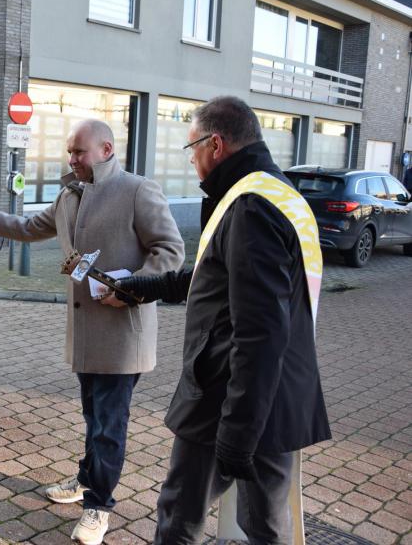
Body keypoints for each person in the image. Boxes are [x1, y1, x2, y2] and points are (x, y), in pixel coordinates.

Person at [113, 96, 331, 544]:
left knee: (181, 517)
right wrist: (146, 287)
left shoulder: (250, 207)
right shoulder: (277, 192)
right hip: (276, 395)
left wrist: (237, 433)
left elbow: (260, 331)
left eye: (191, 147)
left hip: (227, 398)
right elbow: (218, 276)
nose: (190, 159)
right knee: (267, 526)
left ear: (215, 145)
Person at [0, 119, 184, 545]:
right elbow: (28, 229)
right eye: (69, 151)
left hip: (122, 337)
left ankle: (99, 507)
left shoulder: (138, 190)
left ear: (106, 150)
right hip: (85, 336)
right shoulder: (69, 195)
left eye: (79, 152)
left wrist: (133, 287)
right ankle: (86, 480)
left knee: (109, 425)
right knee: (93, 418)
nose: (71, 159)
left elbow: (171, 252)